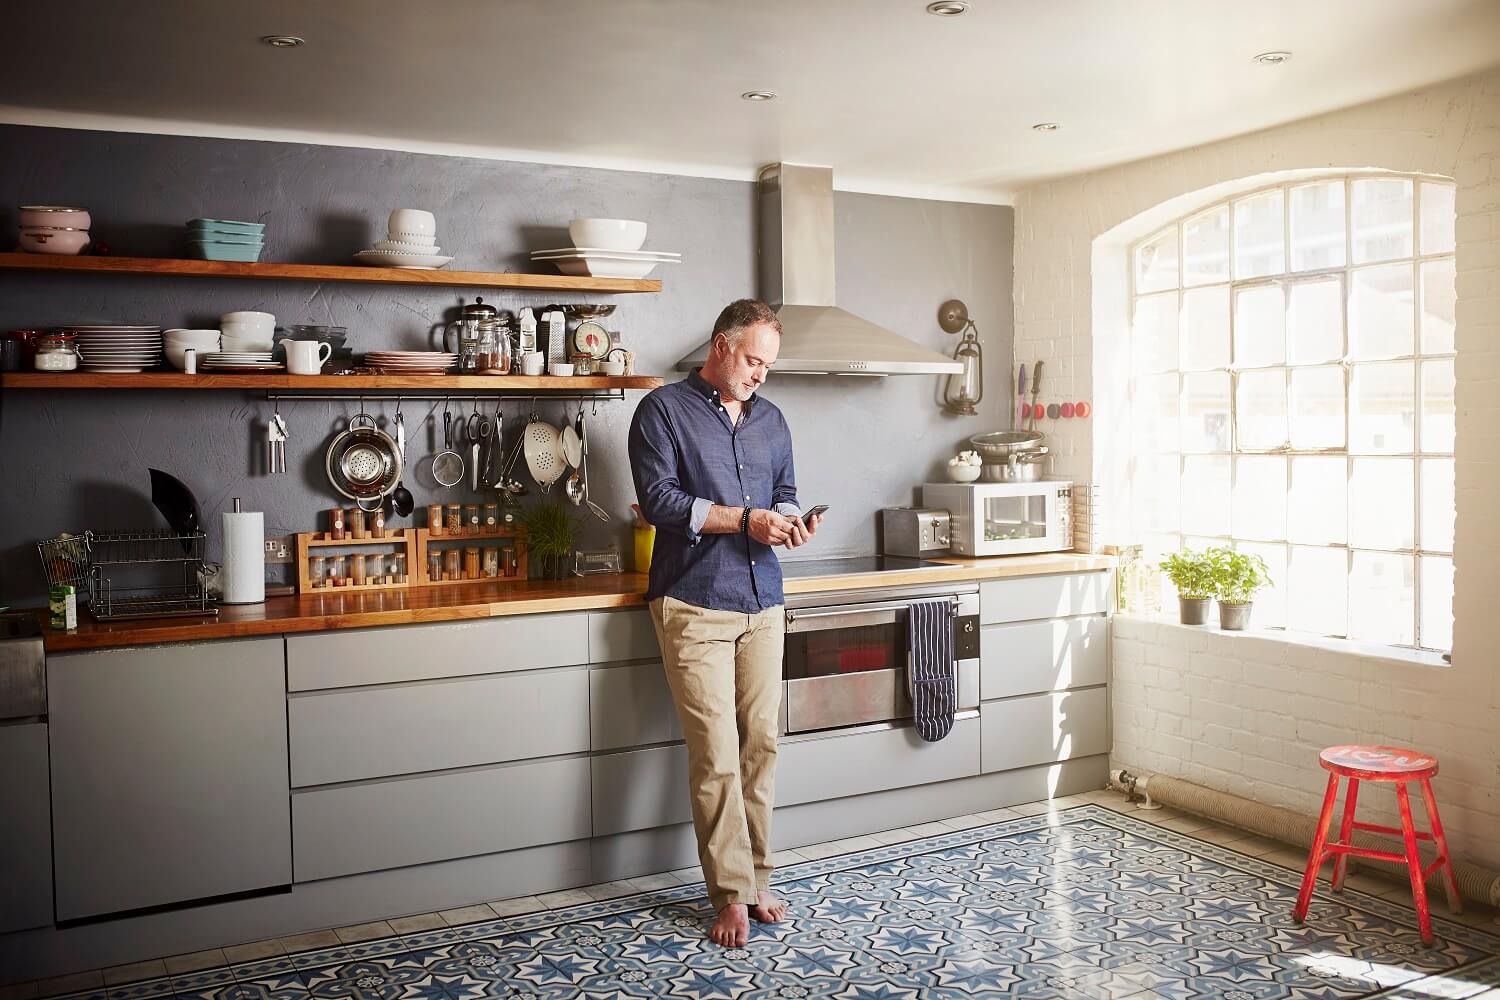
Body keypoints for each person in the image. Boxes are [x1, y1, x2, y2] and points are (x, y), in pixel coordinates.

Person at [627, 298, 822, 947]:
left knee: (761, 747)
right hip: (695, 603)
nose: (761, 374)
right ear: (720, 346)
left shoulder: (772, 420)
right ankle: (731, 895)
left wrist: (790, 520)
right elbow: (660, 503)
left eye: (769, 364)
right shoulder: (662, 412)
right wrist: (746, 519)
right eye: (752, 360)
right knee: (716, 757)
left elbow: (785, 489)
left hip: (763, 599)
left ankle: (759, 879)